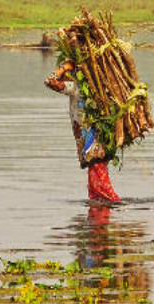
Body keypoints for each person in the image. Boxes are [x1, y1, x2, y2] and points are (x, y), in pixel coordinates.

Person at [45, 60, 121, 203]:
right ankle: (99, 217)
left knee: (101, 189)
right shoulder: (101, 88)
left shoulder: (76, 88)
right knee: (97, 187)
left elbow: (50, 81)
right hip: (99, 142)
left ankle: (102, 218)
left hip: (91, 143)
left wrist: (62, 68)